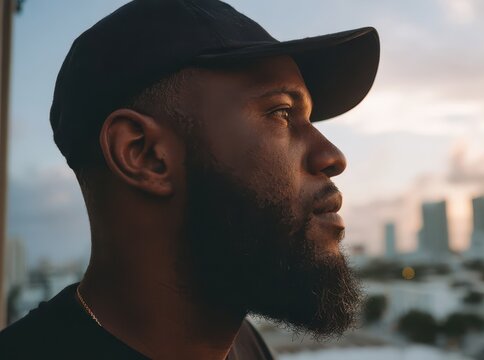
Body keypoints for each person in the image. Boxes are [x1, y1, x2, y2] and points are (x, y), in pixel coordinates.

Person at [0, 0, 379, 359]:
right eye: (281, 112)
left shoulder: (245, 344)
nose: (333, 157)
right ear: (144, 154)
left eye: (309, 120)